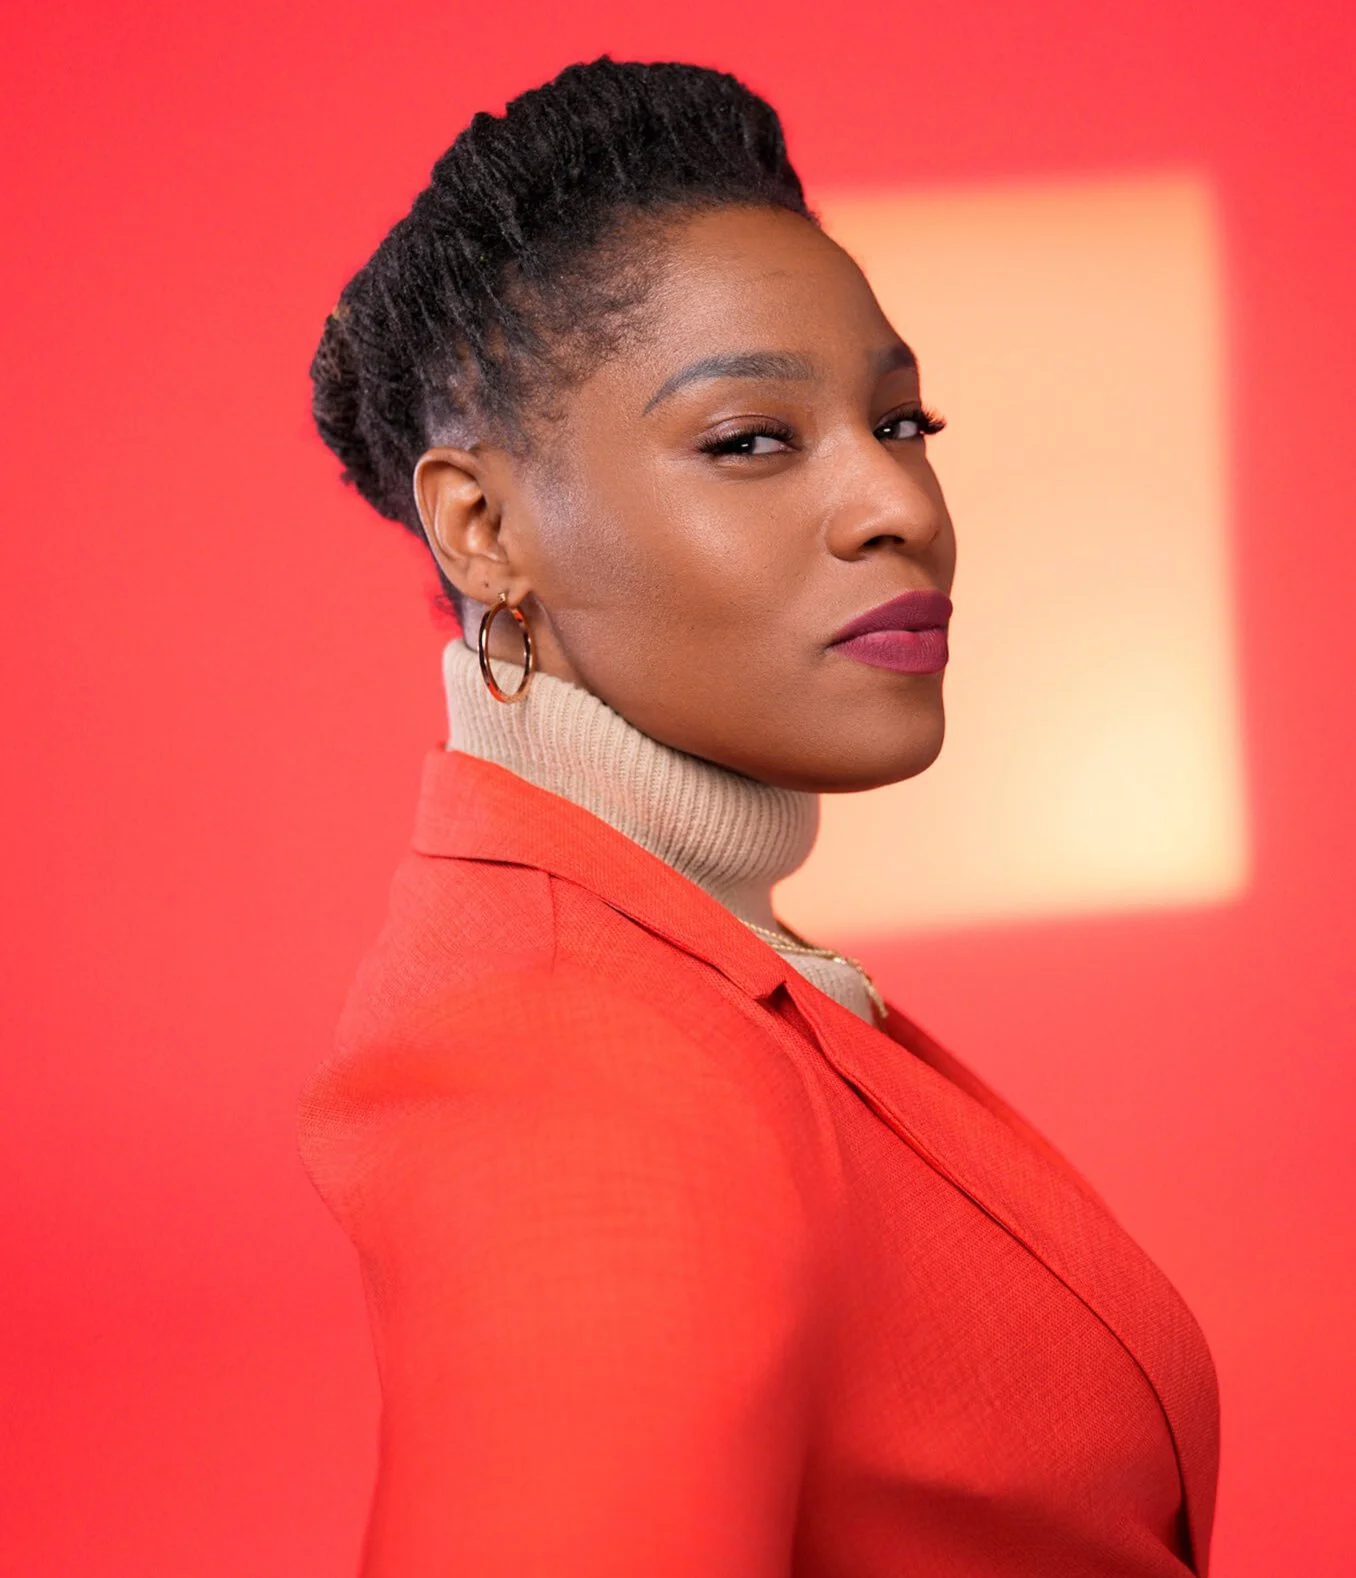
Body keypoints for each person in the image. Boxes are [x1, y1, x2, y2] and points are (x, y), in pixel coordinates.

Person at [299, 57, 1220, 1578]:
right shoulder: (567, 1065)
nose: (900, 507)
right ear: (486, 525)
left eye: (904, 421)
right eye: (751, 440)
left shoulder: (676, 957)